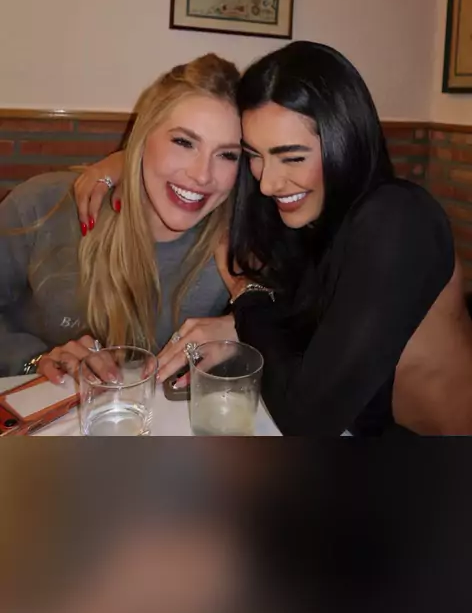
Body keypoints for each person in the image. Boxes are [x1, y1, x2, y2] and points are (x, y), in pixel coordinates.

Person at [79, 41, 472, 436]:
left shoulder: (398, 220)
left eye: (293, 157)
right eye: (254, 155)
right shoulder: (313, 217)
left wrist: (245, 297)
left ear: (345, 140)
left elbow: (306, 421)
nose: (268, 183)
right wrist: (124, 163)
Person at [0, 54, 240, 380]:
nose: (202, 175)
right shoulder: (42, 205)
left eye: (227, 154)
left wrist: (240, 327)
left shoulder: (237, 246)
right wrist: (33, 360)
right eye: (183, 142)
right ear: (142, 139)